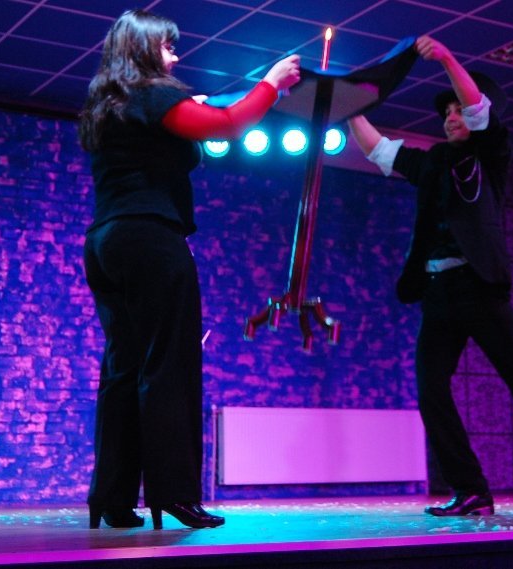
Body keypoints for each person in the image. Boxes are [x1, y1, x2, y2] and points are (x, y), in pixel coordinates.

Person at [347, 36, 513, 517]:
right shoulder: (432, 162)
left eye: (457, 111)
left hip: (479, 287)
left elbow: (478, 110)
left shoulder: (492, 154)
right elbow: (378, 150)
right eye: (445, 113)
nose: (451, 118)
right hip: (439, 291)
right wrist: (345, 108)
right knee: (431, 389)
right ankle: (470, 490)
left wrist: (448, 58)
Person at [78, 9, 300, 530]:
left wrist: (192, 106)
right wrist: (270, 84)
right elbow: (230, 124)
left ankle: (110, 497)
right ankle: (174, 494)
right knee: (168, 365)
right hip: (151, 237)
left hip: (106, 241)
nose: (175, 57)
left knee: (123, 368)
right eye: (168, 47)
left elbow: (195, 119)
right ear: (144, 49)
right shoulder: (153, 95)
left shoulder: (109, 104)